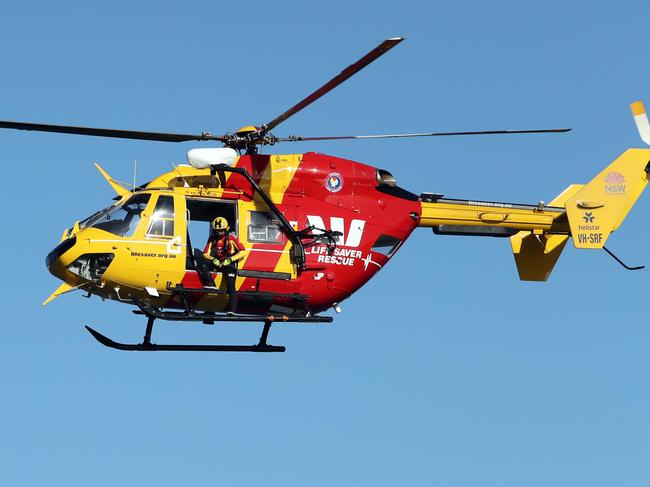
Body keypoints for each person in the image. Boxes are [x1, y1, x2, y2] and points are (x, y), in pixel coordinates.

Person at [195, 217, 247, 314]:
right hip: (218, 263)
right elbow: (205, 254)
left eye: (221, 231)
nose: (219, 233)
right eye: (217, 231)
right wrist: (213, 259)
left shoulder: (231, 238)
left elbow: (243, 251)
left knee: (231, 286)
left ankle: (232, 310)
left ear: (226, 229)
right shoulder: (212, 239)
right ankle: (211, 283)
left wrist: (230, 259)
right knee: (201, 262)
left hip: (229, 264)